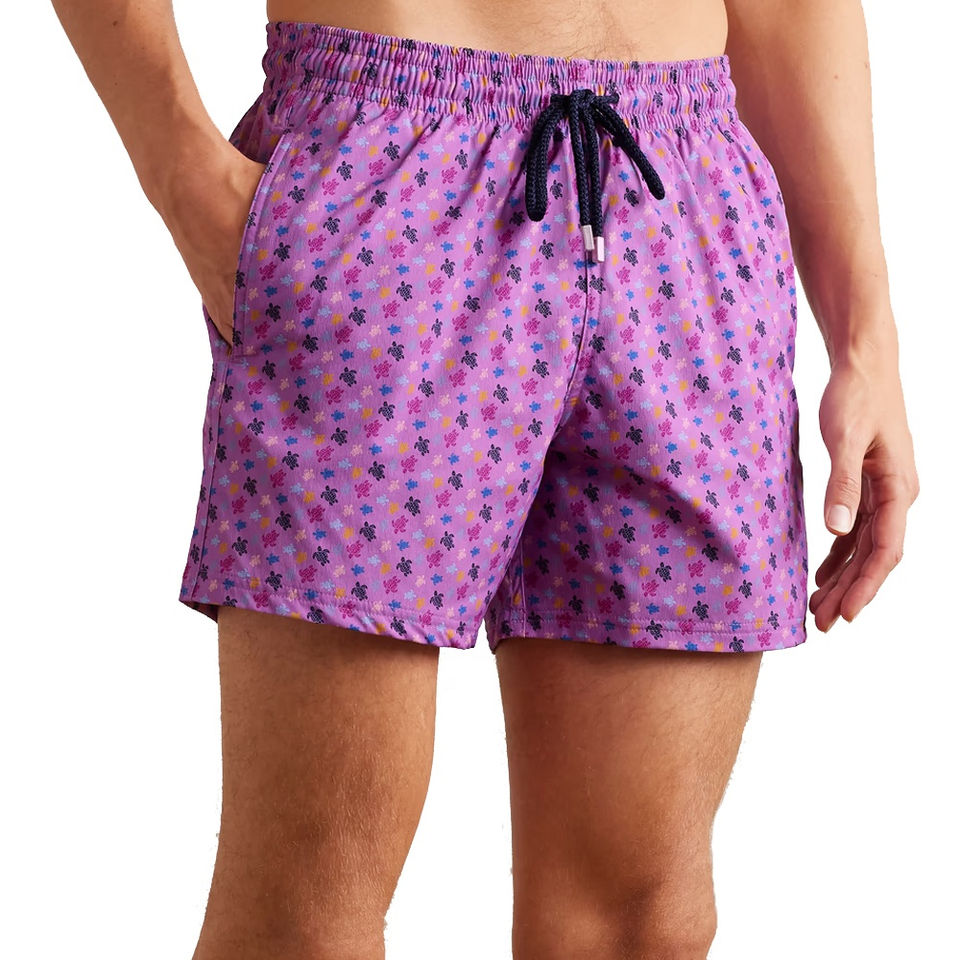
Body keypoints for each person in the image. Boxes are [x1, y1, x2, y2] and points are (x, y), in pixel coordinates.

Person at [51, 0, 919, 957]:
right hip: (394, 166)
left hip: (685, 196)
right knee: (306, 915)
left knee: (639, 924)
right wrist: (183, 174)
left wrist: (865, 333)